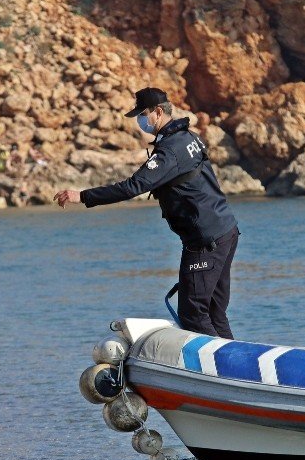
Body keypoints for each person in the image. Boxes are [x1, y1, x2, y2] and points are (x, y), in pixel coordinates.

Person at [54, 87, 239, 338]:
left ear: (158, 112)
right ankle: (236, 366)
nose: (140, 121)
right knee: (215, 311)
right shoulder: (188, 137)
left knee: (193, 313)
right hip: (226, 230)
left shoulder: (169, 151)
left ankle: (215, 370)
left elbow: (133, 186)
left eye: (143, 115)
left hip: (204, 240)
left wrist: (83, 196)